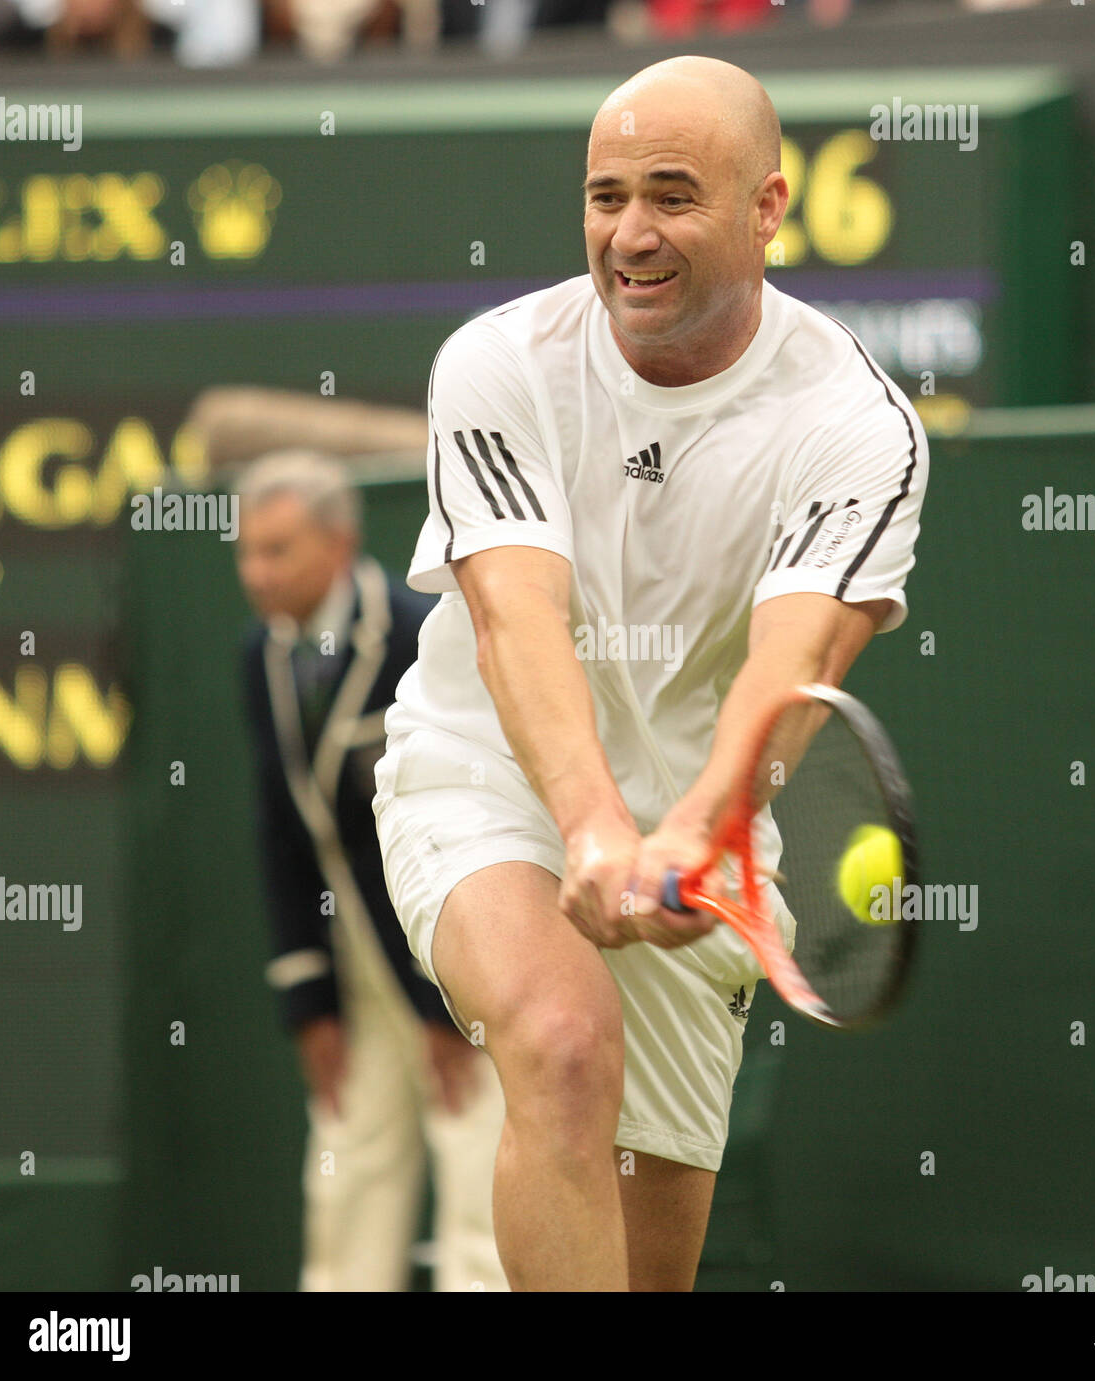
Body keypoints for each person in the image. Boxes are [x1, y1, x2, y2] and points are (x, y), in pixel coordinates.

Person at [372, 55, 928, 1292]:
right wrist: (588, 827)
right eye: (604, 195)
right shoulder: (495, 362)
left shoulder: (858, 427)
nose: (630, 234)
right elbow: (517, 618)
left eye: (672, 196)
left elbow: (793, 667)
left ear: (768, 207)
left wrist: (696, 825)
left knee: (647, 1266)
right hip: (489, 779)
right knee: (565, 1045)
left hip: (700, 829)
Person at [235, 450, 508, 1292]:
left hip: (454, 950)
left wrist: (439, 999)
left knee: (477, 1160)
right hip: (348, 964)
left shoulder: (420, 636)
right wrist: (309, 995)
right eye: (246, 552)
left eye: (277, 549)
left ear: (341, 539)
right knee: (349, 1166)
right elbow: (284, 831)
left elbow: (450, 821)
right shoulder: (263, 659)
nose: (256, 571)